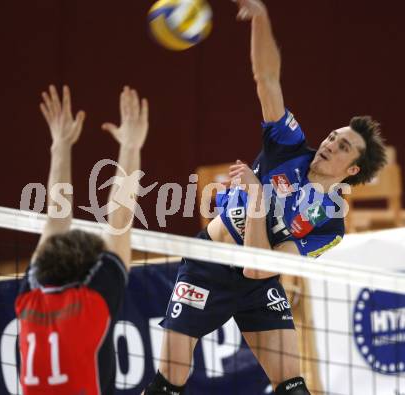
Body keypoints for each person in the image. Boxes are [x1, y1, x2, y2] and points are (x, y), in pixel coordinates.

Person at [143, 1, 387, 394]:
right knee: (168, 383)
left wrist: (257, 199)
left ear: (352, 170)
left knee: (293, 386)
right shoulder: (289, 145)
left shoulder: (330, 224)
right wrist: (261, 19)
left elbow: (260, 269)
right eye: (332, 136)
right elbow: (267, 78)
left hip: (257, 283)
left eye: (343, 147)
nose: (329, 144)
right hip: (209, 264)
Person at [15, 84, 148, 395]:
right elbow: (118, 221)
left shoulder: (30, 299)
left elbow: (57, 221)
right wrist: (131, 147)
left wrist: (59, 145)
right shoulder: (92, 305)